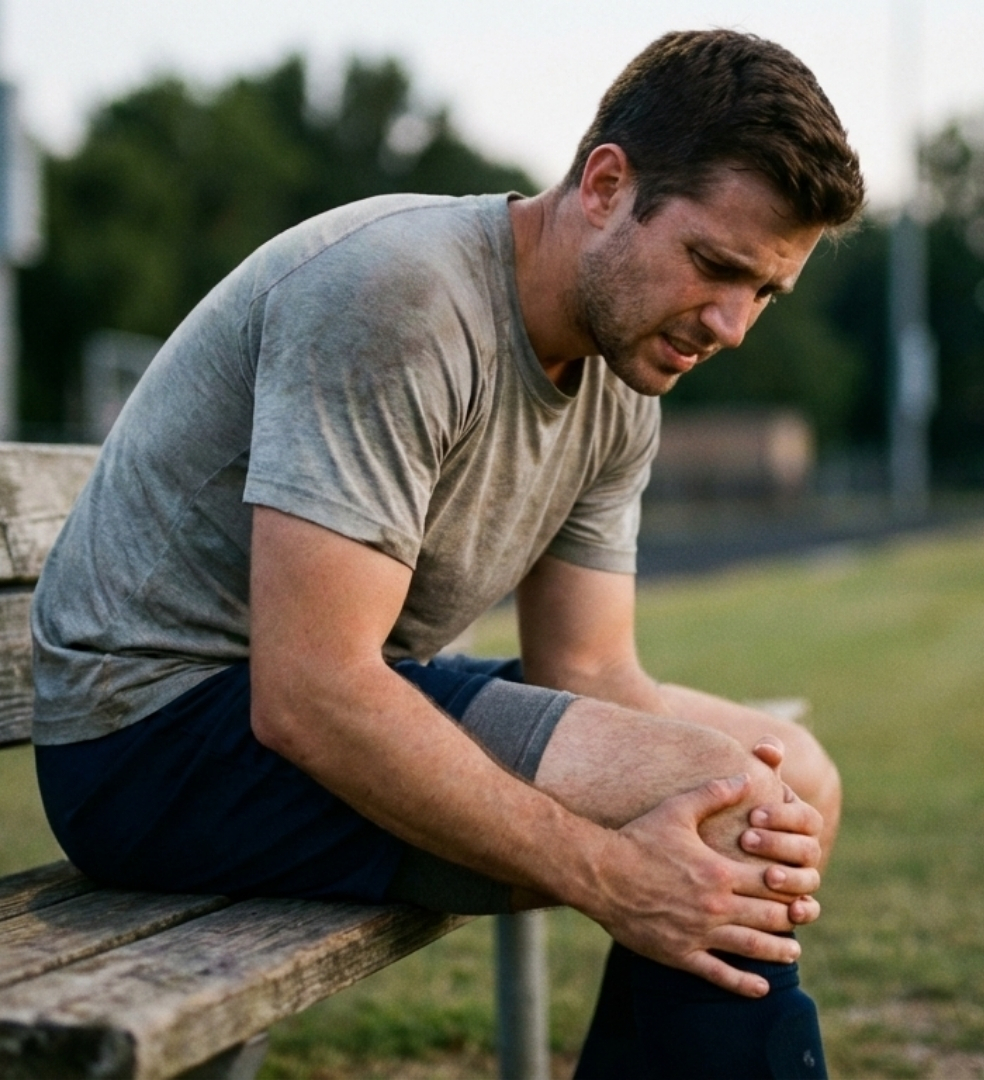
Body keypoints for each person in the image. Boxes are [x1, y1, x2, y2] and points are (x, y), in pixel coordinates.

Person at [31, 28, 864, 1079]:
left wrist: (742, 789)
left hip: (314, 698)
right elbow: (310, 695)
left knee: (793, 781)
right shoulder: (401, 296)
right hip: (154, 741)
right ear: (606, 185)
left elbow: (589, 669)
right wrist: (613, 874)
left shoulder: (624, 369)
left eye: (766, 293)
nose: (734, 325)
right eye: (715, 266)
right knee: (733, 810)